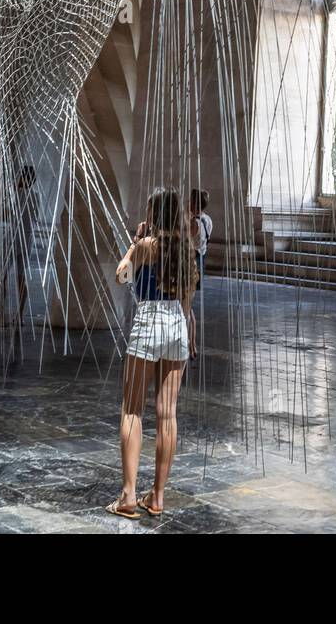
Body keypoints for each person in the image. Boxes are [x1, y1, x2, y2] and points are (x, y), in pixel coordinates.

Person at [107, 187, 198, 519]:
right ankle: (157, 496)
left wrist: (133, 243)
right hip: (176, 324)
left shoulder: (147, 246)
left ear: (154, 215)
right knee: (167, 414)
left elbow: (121, 276)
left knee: (132, 410)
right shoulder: (187, 252)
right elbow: (188, 303)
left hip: (148, 321)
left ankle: (129, 495)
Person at [188, 189, 212, 360]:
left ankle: (190, 345)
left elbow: (185, 243)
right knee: (188, 305)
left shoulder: (193, 223)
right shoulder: (207, 220)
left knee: (186, 307)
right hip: (201, 260)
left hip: (191, 263)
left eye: (190, 200)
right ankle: (191, 345)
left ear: (194, 203)